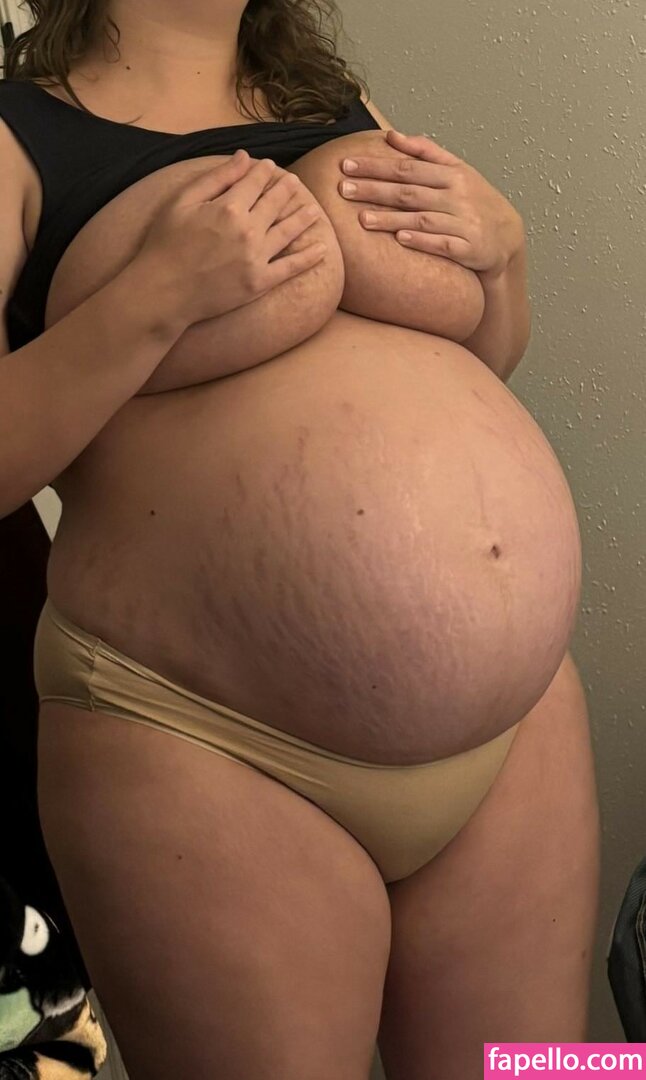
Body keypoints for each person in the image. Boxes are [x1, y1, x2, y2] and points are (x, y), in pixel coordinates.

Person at [0, 1, 600, 1077]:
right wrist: (154, 298)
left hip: (515, 729)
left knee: (550, 1073)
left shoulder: (334, 102)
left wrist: (504, 255)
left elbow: (481, 362)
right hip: (203, 739)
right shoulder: (15, 137)